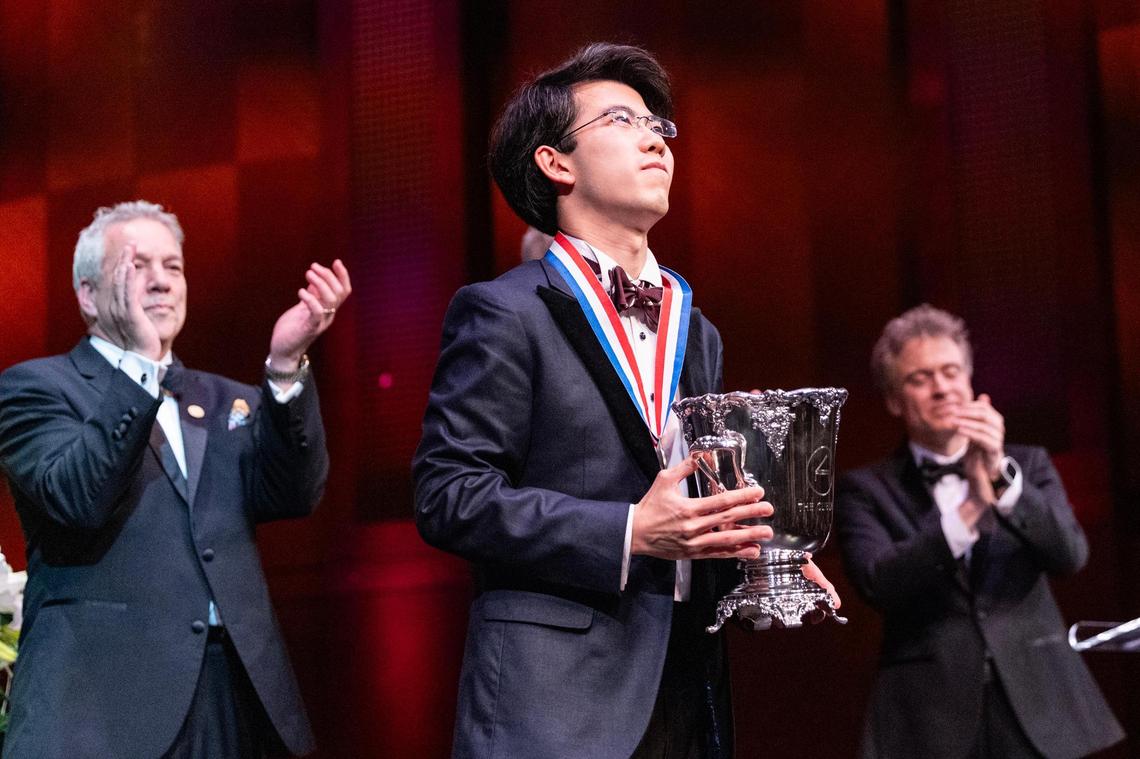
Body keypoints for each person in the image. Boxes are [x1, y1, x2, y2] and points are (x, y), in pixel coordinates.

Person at [413, 43, 836, 758]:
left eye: (659, 126)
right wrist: (627, 530)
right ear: (556, 163)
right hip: (553, 701)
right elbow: (447, 493)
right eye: (622, 120)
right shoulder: (503, 312)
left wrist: (760, 553)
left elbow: (689, 506)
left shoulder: (695, 328)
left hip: (686, 687)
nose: (655, 138)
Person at [0, 201, 351, 758]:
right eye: (138, 266)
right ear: (89, 294)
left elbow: (294, 494)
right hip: (105, 703)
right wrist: (141, 364)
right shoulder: (36, 388)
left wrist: (285, 368)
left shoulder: (223, 399)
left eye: (175, 266)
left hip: (232, 695)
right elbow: (75, 500)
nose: (162, 282)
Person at [835, 304, 1124, 759]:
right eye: (920, 378)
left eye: (951, 372)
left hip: (1041, 705)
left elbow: (1071, 555)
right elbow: (878, 583)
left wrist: (999, 478)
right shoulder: (865, 489)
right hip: (929, 715)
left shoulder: (1028, 464)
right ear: (894, 400)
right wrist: (971, 505)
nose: (941, 388)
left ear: (969, 383)